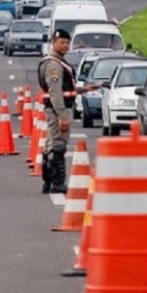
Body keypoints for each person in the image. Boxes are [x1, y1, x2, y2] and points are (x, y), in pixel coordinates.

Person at [37, 29, 99, 194]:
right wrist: (63, 116)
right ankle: (57, 183)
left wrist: (84, 89)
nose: (65, 46)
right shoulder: (53, 65)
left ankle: (48, 182)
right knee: (58, 145)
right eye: (62, 42)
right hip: (58, 109)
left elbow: (65, 89)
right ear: (53, 42)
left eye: (67, 43)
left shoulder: (58, 61)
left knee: (52, 144)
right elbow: (56, 92)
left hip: (58, 108)